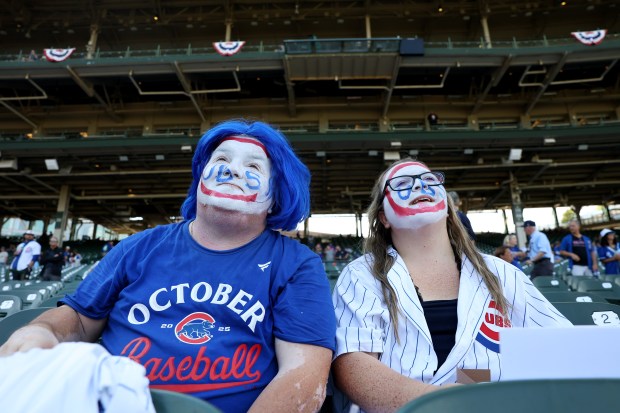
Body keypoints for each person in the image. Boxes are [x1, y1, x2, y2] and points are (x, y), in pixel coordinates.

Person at [0, 120, 336, 413]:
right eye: (221, 159)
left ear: (276, 195)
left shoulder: (297, 264)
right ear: (201, 174)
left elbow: (303, 376)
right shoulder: (139, 246)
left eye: (254, 167)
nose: (233, 170)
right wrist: (42, 330)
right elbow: (77, 318)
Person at [331, 159, 571, 413]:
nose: (419, 186)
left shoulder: (502, 273)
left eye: (430, 180)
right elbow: (353, 365)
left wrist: (471, 385)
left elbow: (557, 346)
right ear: (383, 217)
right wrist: (437, 402)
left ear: (446, 206)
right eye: (402, 184)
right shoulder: (362, 275)